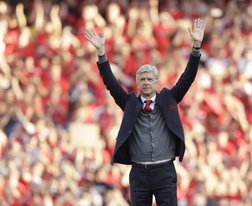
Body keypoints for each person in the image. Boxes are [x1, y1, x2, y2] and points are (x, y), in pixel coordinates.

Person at [84, 18, 206, 206]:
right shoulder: (130, 103)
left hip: (165, 171)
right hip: (139, 173)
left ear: (156, 82)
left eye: (150, 79)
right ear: (138, 83)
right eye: (142, 79)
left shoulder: (168, 100)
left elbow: (187, 78)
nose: (146, 82)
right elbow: (111, 83)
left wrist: (196, 47)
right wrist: (101, 53)